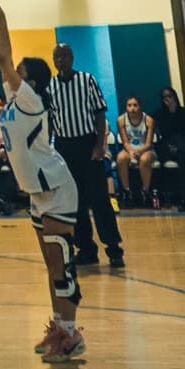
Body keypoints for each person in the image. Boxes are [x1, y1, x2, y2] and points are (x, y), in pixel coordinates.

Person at [0, 0, 85, 363]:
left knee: (61, 266)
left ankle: (71, 335)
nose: (9, 74)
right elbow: (1, 60)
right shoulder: (18, 99)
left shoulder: (32, 99)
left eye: (18, 71)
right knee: (51, 267)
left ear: (30, 80)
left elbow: (4, 59)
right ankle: (59, 327)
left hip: (56, 188)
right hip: (38, 191)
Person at [48, 43, 124, 269]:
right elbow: (51, 120)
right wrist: (50, 149)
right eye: (57, 57)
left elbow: (100, 114)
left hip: (87, 144)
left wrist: (100, 145)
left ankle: (114, 249)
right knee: (74, 203)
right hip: (64, 147)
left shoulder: (87, 80)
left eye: (64, 56)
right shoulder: (50, 87)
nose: (61, 60)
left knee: (100, 200)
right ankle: (86, 249)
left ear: (71, 58)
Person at [153, 86, 185, 211]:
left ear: (175, 97)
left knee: (182, 155)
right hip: (166, 149)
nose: (167, 99)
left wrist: (175, 113)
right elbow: (164, 133)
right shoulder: (159, 114)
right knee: (176, 141)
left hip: (183, 149)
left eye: (170, 96)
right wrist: (171, 113)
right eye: (165, 97)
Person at [115, 96, 157, 206]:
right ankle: (127, 192)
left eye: (135, 105)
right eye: (129, 105)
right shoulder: (121, 120)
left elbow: (148, 144)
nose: (132, 108)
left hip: (146, 149)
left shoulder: (148, 120)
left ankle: (145, 192)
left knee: (144, 159)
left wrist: (139, 152)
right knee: (121, 158)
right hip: (129, 149)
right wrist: (131, 152)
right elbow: (125, 142)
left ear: (140, 106)